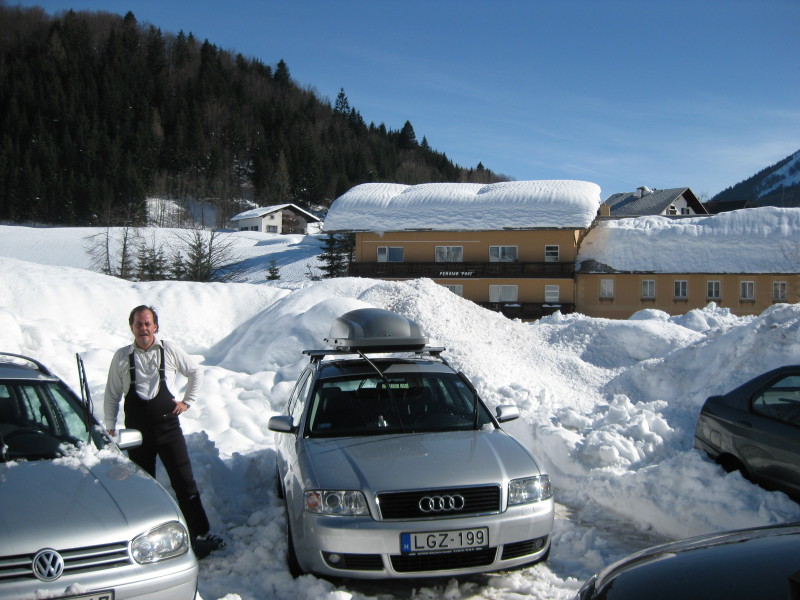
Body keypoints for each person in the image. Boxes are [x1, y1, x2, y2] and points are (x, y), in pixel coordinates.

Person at [104, 305, 224, 559]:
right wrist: (110, 426)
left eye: (147, 323)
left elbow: (195, 372)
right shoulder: (122, 356)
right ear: (132, 327)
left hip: (168, 429)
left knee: (185, 483)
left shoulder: (168, 350)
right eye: (139, 324)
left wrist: (187, 401)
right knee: (142, 488)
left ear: (155, 326)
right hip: (136, 435)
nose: (143, 328)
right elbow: (112, 394)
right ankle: (145, 541)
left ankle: (200, 535)